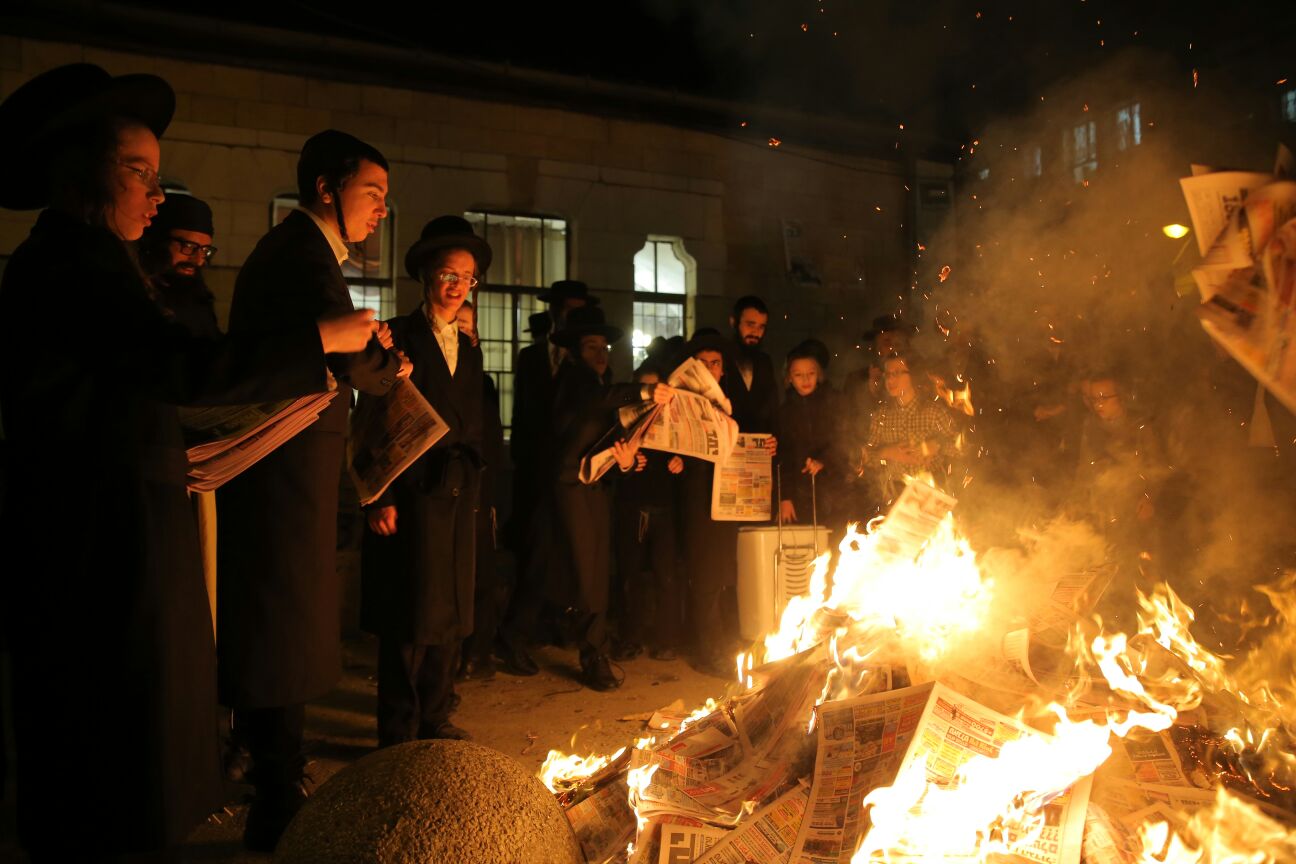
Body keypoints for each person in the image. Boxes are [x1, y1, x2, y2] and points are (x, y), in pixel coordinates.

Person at [0, 64, 376, 863]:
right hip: (96, 546)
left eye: (156, 175)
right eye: (137, 172)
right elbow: (179, 369)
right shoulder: (71, 264)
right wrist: (319, 338)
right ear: (78, 171)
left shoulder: (94, 260)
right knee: (111, 744)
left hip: (122, 530)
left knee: (137, 739)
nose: (155, 194)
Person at [216, 129, 408, 852]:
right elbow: (350, 358)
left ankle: (277, 774)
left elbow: (349, 348)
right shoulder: (299, 254)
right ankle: (277, 788)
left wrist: (374, 353)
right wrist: (385, 363)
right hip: (281, 469)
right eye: (373, 194)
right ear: (327, 187)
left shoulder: (305, 255)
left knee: (287, 616)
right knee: (279, 619)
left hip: (294, 467)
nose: (381, 211)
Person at [360, 215, 487, 745]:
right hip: (412, 494)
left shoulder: (470, 345)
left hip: (459, 493)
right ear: (427, 278)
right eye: (448, 275)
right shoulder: (397, 335)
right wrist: (379, 496)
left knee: (451, 613)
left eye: (467, 277)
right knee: (409, 614)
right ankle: (398, 729)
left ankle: (437, 716)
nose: (458, 286)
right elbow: (369, 419)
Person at [550, 305, 674, 689]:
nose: (600, 353)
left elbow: (610, 438)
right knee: (587, 575)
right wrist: (645, 390)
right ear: (574, 350)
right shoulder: (573, 381)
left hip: (596, 486)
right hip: (571, 485)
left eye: (604, 346)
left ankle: (593, 649)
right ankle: (593, 656)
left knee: (598, 571)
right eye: (591, 346)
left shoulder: (601, 385)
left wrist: (625, 461)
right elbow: (596, 403)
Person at [677, 329, 742, 676]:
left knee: (722, 574)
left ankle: (722, 645)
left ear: (722, 369)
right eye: (701, 364)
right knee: (703, 577)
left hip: (728, 500)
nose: (709, 369)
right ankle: (710, 650)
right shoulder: (677, 401)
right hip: (695, 501)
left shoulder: (731, 402)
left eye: (714, 363)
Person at [612, 361, 684, 662]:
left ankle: (667, 640)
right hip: (633, 508)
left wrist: (680, 463)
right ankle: (630, 637)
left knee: (667, 577)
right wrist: (628, 465)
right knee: (631, 577)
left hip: (664, 509)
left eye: (659, 389)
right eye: (648, 389)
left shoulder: (674, 422)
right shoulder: (624, 421)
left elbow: (687, 459)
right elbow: (612, 467)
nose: (654, 396)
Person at [864, 353, 957, 506]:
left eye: (897, 373)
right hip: (891, 497)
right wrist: (886, 451)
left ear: (913, 375)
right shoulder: (881, 415)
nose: (890, 379)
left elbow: (961, 446)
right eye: (887, 374)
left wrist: (936, 445)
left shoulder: (933, 412)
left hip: (929, 497)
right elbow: (866, 458)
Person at [777, 339, 843, 529]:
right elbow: (783, 458)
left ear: (819, 375)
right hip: (800, 496)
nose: (805, 380)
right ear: (789, 377)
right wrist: (785, 498)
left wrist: (824, 461)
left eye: (810, 373)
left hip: (835, 492)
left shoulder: (835, 403)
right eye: (798, 375)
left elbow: (845, 441)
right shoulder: (784, 413)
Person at [137, 190, 220, 338]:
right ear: (159, 241)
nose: (198, 260)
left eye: (205, 250)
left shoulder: (197, 296)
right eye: (188, 246)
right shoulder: (135, 295)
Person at [725, 295, 780, 437]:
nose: (756, 333)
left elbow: (773, 410)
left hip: (758, 451)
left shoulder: (765, 362)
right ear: (733, 322)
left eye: (761, 327)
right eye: (750, 324)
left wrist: (774, 439)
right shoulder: (719, 360)